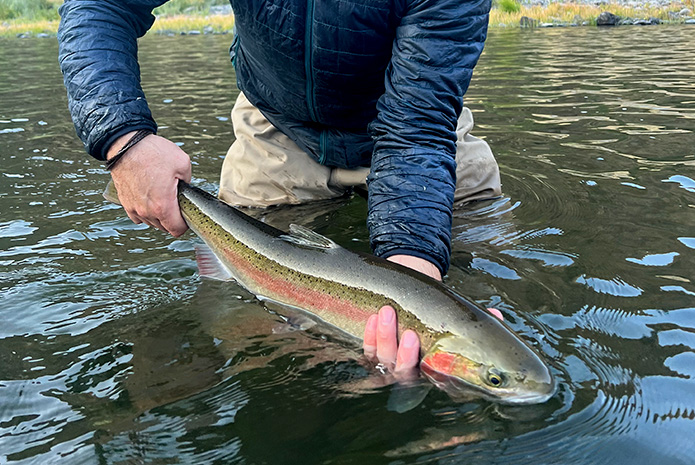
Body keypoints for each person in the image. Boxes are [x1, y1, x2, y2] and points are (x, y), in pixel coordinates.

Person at [57, 0, 501, 376]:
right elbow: (101, 4)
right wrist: (124, 141)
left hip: (416, 123)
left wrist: (415, 270)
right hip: (277, 121)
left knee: (483, 271)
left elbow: (417, 128)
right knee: (240, 321)